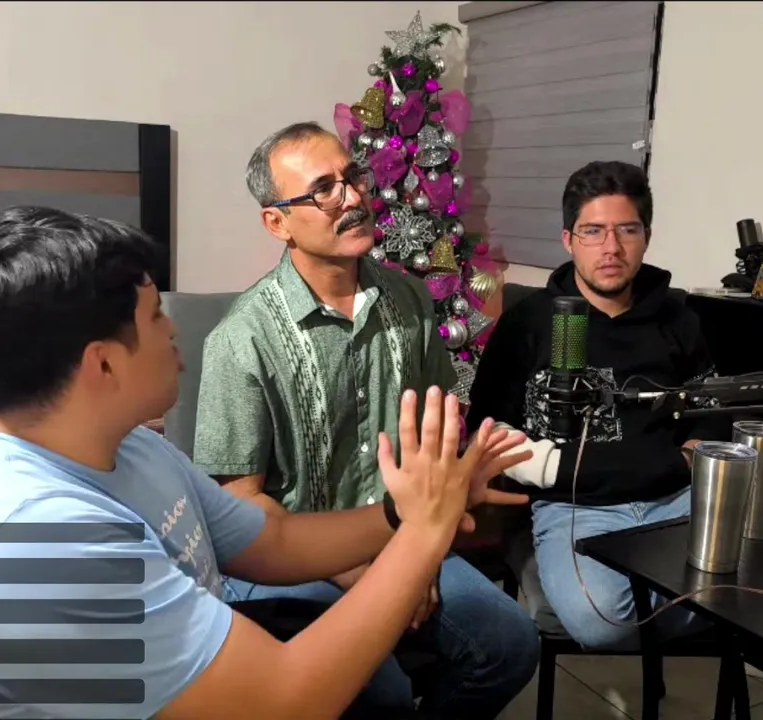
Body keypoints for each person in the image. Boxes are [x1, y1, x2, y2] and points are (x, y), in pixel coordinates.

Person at [0, 206, 533, 720]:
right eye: (155, 316)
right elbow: (285, 701)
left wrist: (404, 511)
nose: (173, 330)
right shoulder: (42, 536)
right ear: (102, 364)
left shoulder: (122, 442)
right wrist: (426, 530)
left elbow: (273, 541)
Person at [191, 122, 541, 717]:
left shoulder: (410, 302)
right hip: (290, 559)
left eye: (352, 177)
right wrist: (365, 574)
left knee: (510, 643)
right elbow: (240, 506)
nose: (352, 198)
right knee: (378, 689)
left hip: (402, 532)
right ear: (277, 222)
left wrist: (419, 550)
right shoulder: (242, 340)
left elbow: (433, 438)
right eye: (323, 190)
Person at [466, 160, 729, 649]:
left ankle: (626, 597)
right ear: (568, 240)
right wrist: (547, 468)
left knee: (746, 596)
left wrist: (687, 458)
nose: (611, 248)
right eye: (593, 231)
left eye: (627, 229)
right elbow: (486, 425)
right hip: (574, 505)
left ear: (646, 237)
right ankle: (547, 562)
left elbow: (711, 412)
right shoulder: (529, 323)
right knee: (603, 623)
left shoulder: (678, 320)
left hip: (673, 500)